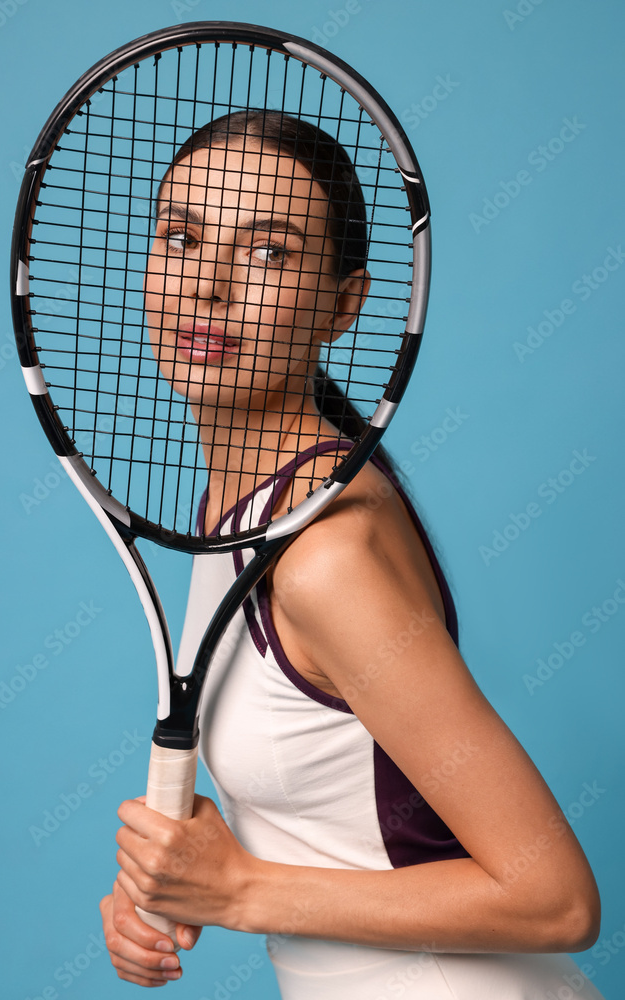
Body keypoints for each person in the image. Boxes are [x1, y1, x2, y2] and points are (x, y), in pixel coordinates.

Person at [99, 110, 604, 998]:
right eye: (180, 236)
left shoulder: (327, 553)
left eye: (268, 253)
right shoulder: (243, 507)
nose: (208, 285)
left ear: (341, 304)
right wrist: (187, 866)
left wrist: (243, 888)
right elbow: (333, 791)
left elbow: (553, 900)